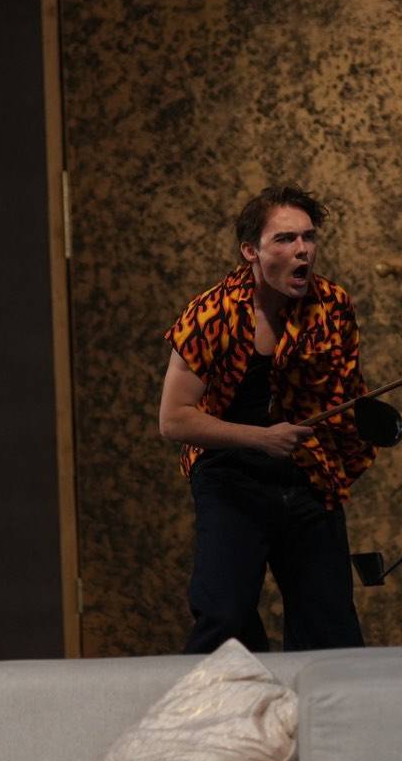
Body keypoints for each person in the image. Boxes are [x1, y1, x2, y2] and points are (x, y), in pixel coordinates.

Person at [159, 185, 374, 653]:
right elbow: (173, 421)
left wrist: (366, 430)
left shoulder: (332, 305)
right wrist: (260, 439)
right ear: (250, 251)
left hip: (304, 470)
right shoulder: (210, 315)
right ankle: (221, 701)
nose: (302, 250)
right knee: (224, 617)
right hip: (229, 473)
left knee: (330, 626)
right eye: (285, 239)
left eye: (308, 237)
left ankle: (323, 701)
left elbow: (345, 394)